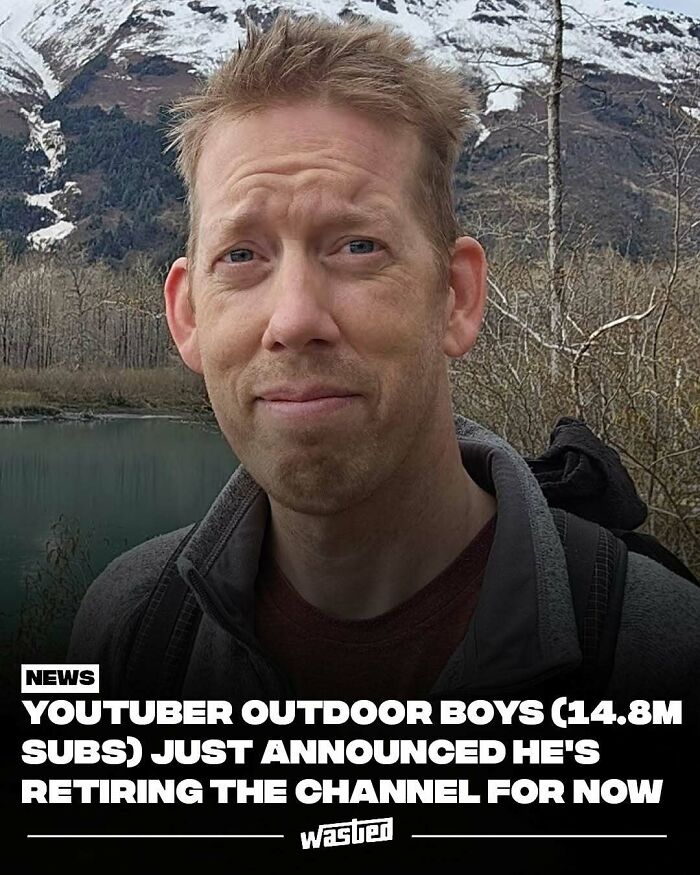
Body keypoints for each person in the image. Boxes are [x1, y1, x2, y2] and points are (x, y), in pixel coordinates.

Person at [69, 13, 700, 709]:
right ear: (188, 314)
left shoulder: (664, 651)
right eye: (242, 255)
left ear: (456, 297)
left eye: (358, 246)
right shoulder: (129, 627)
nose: (294, 319)